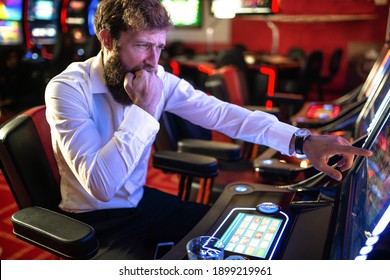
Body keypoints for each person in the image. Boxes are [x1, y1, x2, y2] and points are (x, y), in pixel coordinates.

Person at [44, 0, 371, 259]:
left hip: (142, 202)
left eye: (160, 47)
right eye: (143, 45)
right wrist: (144, 109)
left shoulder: (158, 79)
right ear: (107, 40)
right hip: (93, 220)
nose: (153, 61)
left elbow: (226, 115)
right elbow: (101, 185)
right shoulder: (68, 89)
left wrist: (302, 140)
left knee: (234, 241)